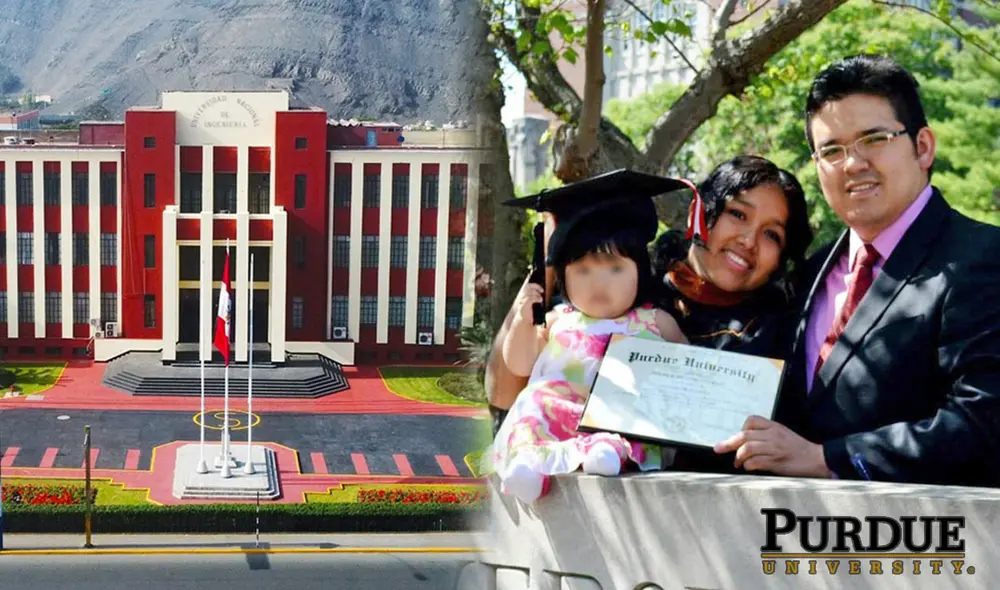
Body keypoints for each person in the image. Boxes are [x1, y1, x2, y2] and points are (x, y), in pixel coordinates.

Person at [714, 54, 1000, 487]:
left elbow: (984, 419)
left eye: (874, 138)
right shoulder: (808, 274)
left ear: (923, 147)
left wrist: (827, 458)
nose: (852, 163)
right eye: (831, 149)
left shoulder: (983, 256)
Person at [485, 156, 815, 476]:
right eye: (738, 214)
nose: (748, 241)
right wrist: (548, 263)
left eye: (772, 234)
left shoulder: (776, 334)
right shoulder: (620, 288)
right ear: (698, 213)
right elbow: (503, 392)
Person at [490, 170, 691, 503]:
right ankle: (529, 465)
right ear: (564, 277)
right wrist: (522, 324)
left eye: (614, 269)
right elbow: (519, 362)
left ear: (640, 270)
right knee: (534, 404)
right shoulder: (557, 321)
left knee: (626, 425)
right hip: (559, 414)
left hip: (622, 416)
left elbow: (688, 368)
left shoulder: (655, 321)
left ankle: (608, 452)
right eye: (582, 270)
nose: (598, 283)